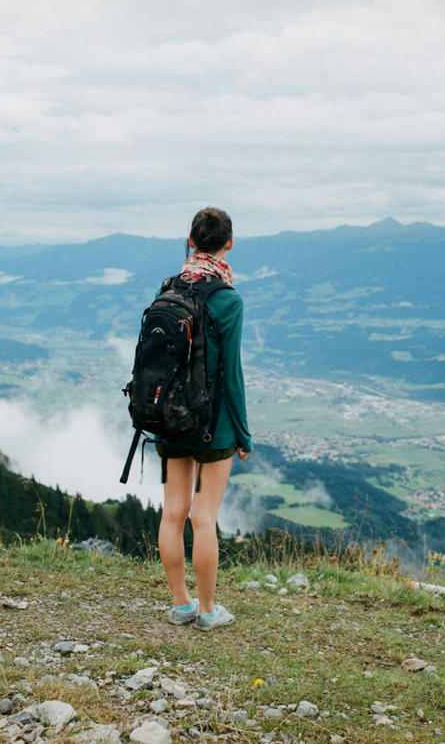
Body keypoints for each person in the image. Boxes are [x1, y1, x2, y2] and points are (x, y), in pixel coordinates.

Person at [156, 207, 252, 631]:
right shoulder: (228, 300)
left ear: (191, 242)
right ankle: (209, 611)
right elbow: (231, 374)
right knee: (204, 516)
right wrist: (244, 434)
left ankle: (181, 605)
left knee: (172, 513)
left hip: (171, 417)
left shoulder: (168, 288)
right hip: (215, 425)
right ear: (229, 243)